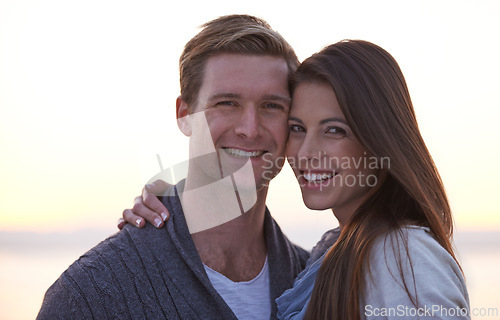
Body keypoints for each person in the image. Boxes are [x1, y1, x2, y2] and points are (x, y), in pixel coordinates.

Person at [124, 40, 471, 319]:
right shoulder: (333, 253)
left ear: (379, 138)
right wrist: (174, 201)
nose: (306, 152)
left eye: (334, 130)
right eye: (298, 129)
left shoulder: (404, 257)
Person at [37, 14, 309, 320]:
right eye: (227, 103)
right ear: (184, 115)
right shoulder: (90, 294)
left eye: (271, 106)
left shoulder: (316, 281)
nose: (250, 128)